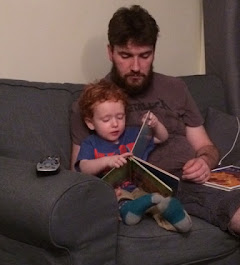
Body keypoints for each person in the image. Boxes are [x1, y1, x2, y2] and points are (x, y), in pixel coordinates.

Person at [70, 4, 240, 235]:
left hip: (200, 181)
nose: (136, 67)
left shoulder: (176, 88)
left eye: (145, 55)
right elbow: (77, 171)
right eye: (125, 56)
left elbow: (206, 146)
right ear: (110, 52)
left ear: (154, 52)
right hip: (151, 189)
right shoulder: (94, 104)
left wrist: (204, 162)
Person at [75, 79, 192, 232]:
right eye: (106, 119)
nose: (115, 124)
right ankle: (130, 211)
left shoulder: (132, 135)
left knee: (157, 199)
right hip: (115, 192)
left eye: (120, 117)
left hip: (142, 186)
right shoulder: (91, 143)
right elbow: (84, 167)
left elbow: (162, 137)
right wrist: (106, 161)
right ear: (90, 123)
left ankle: (174, 215)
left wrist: (155, 125)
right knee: (117, 200)